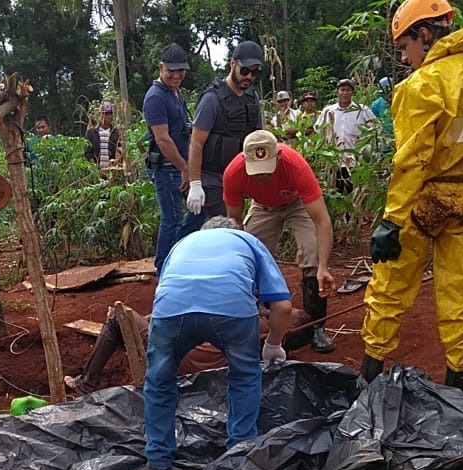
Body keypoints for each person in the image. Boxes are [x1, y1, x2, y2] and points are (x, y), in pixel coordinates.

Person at [361, 0, 463, 393]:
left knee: (389, 288)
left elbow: (413, 159)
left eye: (404, 46)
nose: (404, 56)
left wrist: (392, 221)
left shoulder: (422, 84)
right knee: (460, 294)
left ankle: (366, 384)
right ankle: (458, 393)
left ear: (425, 35)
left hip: (422, 201)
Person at [142, 216, 292, 470]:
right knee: (244, 376)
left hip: (170, 312)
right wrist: (273, 344)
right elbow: (282, 307)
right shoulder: (248, 241)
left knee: (159, 382)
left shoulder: (183, 243)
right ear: (235, 232)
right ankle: (239, 459)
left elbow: (167, 290)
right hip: (231, 311)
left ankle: (158, 464)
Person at [222, 130, 338, 353]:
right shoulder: (233, 173)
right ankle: (259, 318)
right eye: (257, 172)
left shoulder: (295, 165)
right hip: (262, 207)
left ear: (278, 156)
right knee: (250, 257)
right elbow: (235, 225)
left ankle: (315, 326)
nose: (262, 176)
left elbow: (321, 220)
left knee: (312, 254)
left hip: (296, 203)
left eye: (267, 170)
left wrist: (323, 266)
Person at [64, 303, 313, 395]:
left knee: (118, 316)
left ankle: (87, 383)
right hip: (191, 366)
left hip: (179, 355)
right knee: (142, 322)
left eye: (289, 313)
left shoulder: (255, 322)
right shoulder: (272, 348)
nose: (283, 310)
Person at [187, 40, 264, 220]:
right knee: (223, 224)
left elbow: (258, 138)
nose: (249, 77)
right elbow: (196, 143)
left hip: (240, 176)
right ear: (233, 64)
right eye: (244, 71)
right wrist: (195, 184)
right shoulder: (211, 99)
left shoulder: (252, 98)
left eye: (254, 73)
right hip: (212, 178)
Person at [143, 42, 202, 269]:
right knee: (172, 219)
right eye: (172, 70)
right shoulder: (156, 97)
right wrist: (184, 168)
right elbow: (162, 139)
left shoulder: (175, 93)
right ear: (161, 68)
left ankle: (178, 256)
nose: (177, 75)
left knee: (196, 211)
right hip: (167, 169)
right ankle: (164, 267)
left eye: (181, 70)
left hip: (178, 166)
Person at [318, 78, 377, 197]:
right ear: (337, 92)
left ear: (353, 93)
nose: (345, 93)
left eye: (348, 90)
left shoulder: (362, 110)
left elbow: (374, 129)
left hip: (355, 158)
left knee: (354, 191)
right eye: (342, 90)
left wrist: (365, 145)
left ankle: (353, 214)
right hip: (334, 158)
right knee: (335, 191)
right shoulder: (328, 111)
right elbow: (319, 130)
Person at [84, 101, 121, 170]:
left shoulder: (117, 133)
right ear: (100, 115)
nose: (108, 116)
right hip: (96, 172)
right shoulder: (91, 133)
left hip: (113, 170)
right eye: (105, 113)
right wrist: (96, 169)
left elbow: (120, 151)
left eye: (110, 113)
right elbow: (88, 153)